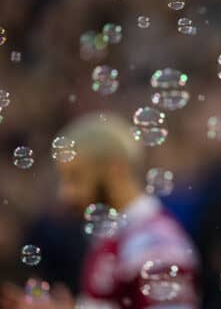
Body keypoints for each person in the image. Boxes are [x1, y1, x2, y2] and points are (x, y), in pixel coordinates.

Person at [1, 113, 200, 309]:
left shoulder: (155, 241)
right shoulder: (113, 238)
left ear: (115, 171)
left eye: (76, 178)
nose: (65, 194)